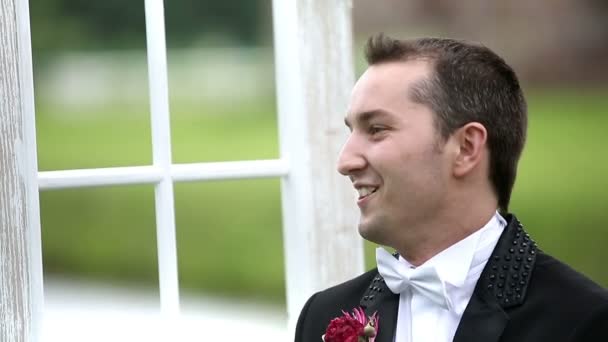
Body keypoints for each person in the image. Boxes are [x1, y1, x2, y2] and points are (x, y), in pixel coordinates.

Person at [294, 34, 608, 342]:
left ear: (467, 148)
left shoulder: (582, 321)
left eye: (376, 129)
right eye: (352, 132)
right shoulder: (323, 316)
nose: (345, 161)